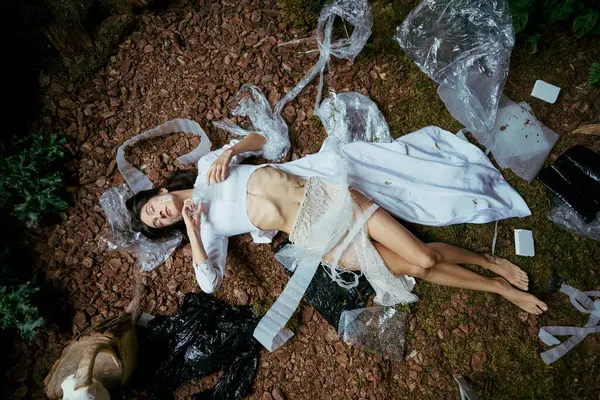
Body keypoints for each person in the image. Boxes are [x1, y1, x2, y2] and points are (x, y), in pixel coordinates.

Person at [126, 127, 548, 315]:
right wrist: (195, 233)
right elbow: (208, 283)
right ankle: (497, 287)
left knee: (419, 253)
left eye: (152, 209)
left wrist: (229, 153)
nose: (160, 216)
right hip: (319, 240)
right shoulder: (208, 229)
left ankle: (489, 262)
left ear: (160, 193)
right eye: (158, 224)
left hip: (330, 200)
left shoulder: (206, 169)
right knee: (418, 267)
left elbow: (261, 140)